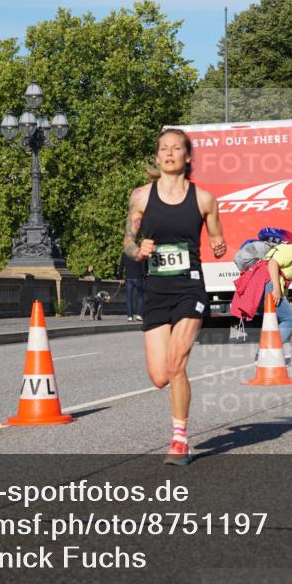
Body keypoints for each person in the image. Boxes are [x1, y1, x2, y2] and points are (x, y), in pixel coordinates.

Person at [123, 128, 226, 465]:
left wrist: (218, 245)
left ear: (188, 157)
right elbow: (127, 241)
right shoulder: (140, 196)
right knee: (158, 377)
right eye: (163, 148)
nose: (169, 153)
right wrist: (138, 249)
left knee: (175, 365)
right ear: (157, 157)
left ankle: (179, 440)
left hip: (190, 288)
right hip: (156, 290)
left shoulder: (204, 199)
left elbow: (217, 238)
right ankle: (179, 429)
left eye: (176, 148)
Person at [120, 253, 145, 322]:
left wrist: (120, 277)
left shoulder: (125, 254)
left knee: (129, 298)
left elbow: (121, 266)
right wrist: (144, 275)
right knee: (141, 296)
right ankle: (139, 315)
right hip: (139, 277)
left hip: (128, 278)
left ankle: (130, 316)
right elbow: (143, 265)